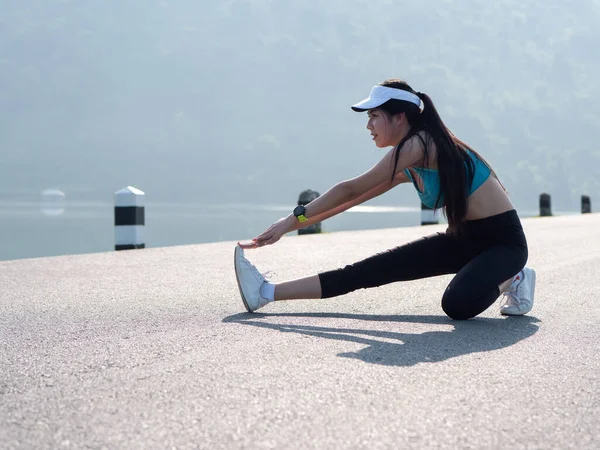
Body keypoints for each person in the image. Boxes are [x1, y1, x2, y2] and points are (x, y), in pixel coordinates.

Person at [234, 78, 535, 320]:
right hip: (462, 239)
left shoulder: (420, 143)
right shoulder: (409, 165)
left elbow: (349, 188)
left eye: (374, 116)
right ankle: (265, 292)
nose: (369, 126)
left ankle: (514, 277)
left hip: (503, 244)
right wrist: (288, 227)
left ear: (399, 117)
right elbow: (347, 201)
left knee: (457, 304)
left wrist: (289, 220)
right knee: (367, 271)